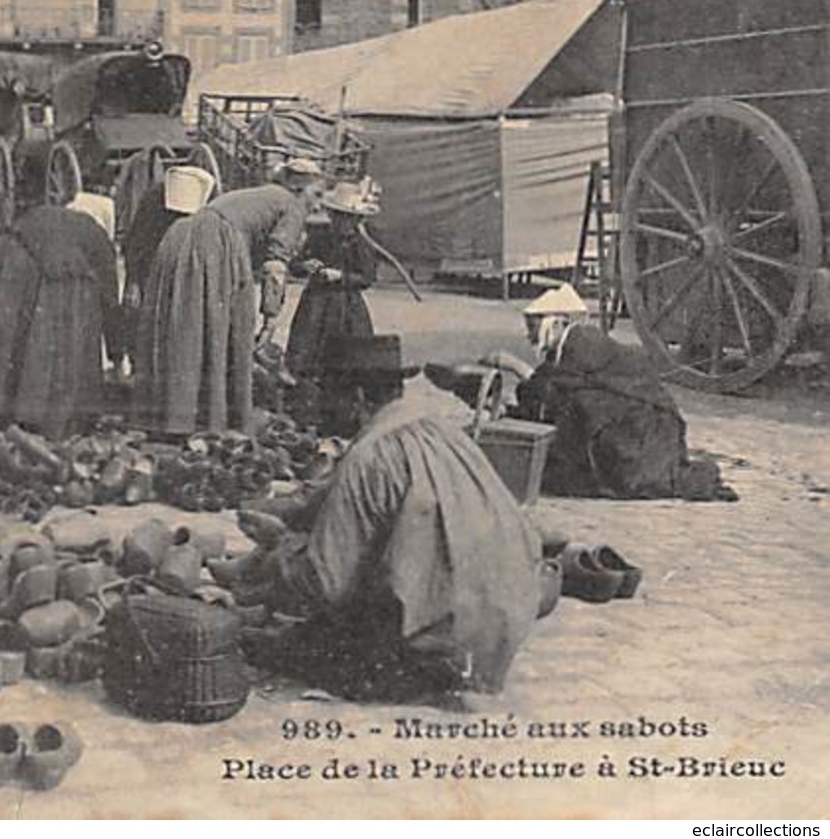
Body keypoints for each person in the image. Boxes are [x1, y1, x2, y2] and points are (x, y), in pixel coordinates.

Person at [234, 335, 543, 702]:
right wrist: (295, 512)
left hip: (435, 650)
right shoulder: (441, 430)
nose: (322, 407)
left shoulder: (368, 458)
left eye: (330, 395)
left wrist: (277, 551)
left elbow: (323, 580)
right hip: (500, 630)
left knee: (280, 642)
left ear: (359, 398)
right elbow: (361, 497)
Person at [0, 140, 123, 439]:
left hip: (12, 267)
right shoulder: (89, 230)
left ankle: (5, 404)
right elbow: (109, 298)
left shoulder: (8, 236)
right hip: (71, 385)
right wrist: (118, 355)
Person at [136, 168, 318, 435]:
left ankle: (175, 415)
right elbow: (275, 265)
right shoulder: (292, 205)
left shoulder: (263, 194)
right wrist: (270, 316)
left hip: (181, 236)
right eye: (317, 193)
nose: (319, 202)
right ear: (299, 189)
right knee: (223, 329)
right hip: (215, 243)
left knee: (187, 325)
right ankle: (212, 420)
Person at [513, 285, 732, 501]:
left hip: (644, 427)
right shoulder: (569, 345)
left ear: (559, 324)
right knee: (581, 408)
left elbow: (553, 387)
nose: (530, 334)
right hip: (639, 421)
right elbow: (551, 384)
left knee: (583, 408)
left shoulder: (582, 341)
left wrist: (514, 366)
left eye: (534, 327)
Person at [285, 177, 381, 388]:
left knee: (344, 356)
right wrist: (304, 266)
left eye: (349, 218)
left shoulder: (361, 244)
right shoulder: (319, 236)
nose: (343, 222)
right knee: (306, 349)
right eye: (339, 216)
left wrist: (341, 277)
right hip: (315, 302)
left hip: (345, 305)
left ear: (357, 220)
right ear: (331, 215)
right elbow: (295, 265)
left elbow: (367, 278)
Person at [120, 165, 215, 374]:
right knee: (140, 318)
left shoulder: (207, 209)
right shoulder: (152, 202)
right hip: (149, 267)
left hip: (182, 270)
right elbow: (135, 244)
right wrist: (133, 281)